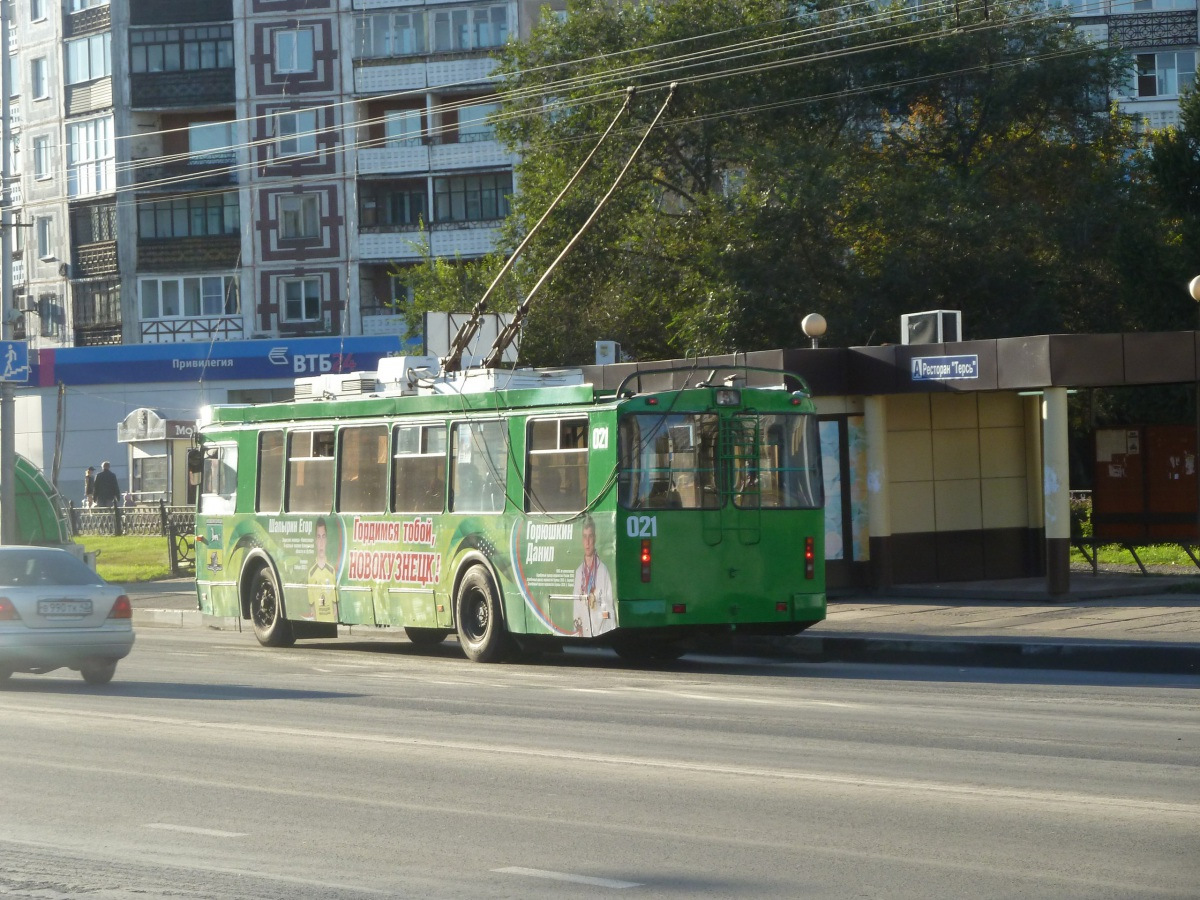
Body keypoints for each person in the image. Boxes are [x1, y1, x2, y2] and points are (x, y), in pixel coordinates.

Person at [572, 514, 615, 637]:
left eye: (590, 536)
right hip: (583, 633)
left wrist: (607, 634)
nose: (587, 542)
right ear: (581, 540)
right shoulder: (579, 572)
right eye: (585, 537)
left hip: (600, 633)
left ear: (594, 538)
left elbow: (609, 607)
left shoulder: (602, 570)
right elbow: (576, 606)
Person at [307, 517, 338, 622]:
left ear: (326, 540)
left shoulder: (331, 570)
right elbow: (311, 603)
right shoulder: (311, 573)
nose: (321, 542)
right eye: (318, 537)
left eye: (323, 537)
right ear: (315, 540)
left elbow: (335, 602)